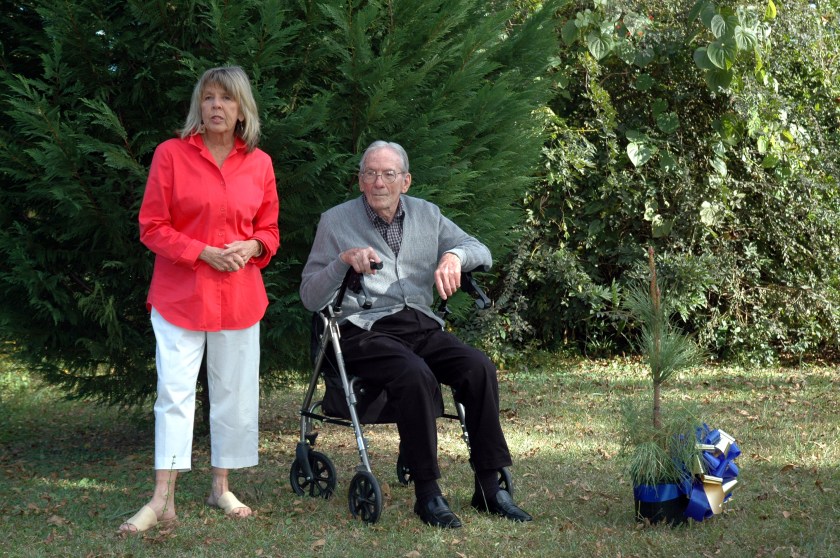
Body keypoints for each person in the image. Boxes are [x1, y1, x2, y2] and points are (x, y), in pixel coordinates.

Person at [299, 140, 531, 528]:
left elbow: (481, 250)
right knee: (414, 373)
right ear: (359, 181)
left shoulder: (428, 214)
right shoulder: (335, 221)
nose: (379, 182)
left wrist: (454, 256)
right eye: (370, 173)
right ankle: (427, 494)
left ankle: (489, 487)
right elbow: (309, 295)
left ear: (405, 181)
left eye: (389, 174)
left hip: (420, 324)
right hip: (361, 329)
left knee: (478, 367)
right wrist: (342, 263)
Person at [120, 66, 280, 534]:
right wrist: (202, 252)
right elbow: (152, 226)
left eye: (226, 99)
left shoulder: (260, 163)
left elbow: (269, 229)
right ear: (198, 105)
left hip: (240, 297)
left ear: (241, 108)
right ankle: (161, 499)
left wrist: (252, 247)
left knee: (233, 393)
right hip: (181, 294)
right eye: (208, 97)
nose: (216, 106)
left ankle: (220, 487)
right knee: (173, 393)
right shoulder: (171, 155)